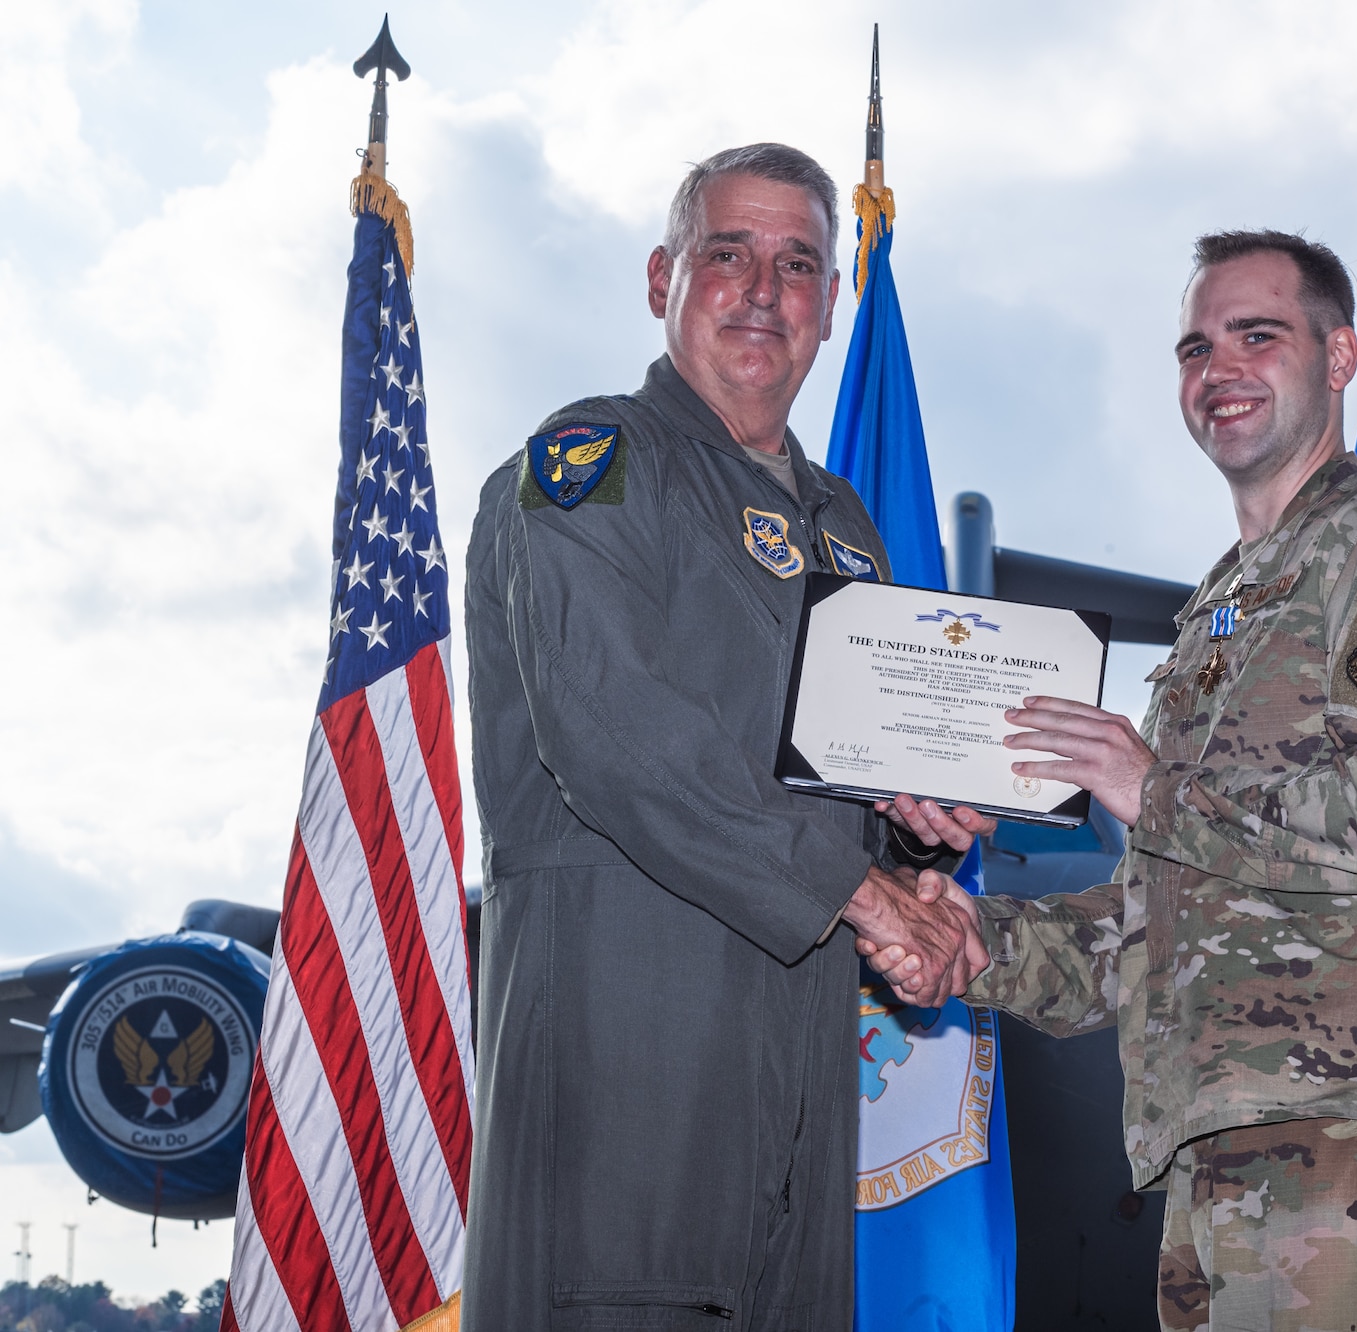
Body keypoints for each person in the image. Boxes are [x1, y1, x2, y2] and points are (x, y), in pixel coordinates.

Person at [870, 230, 1357, 1331]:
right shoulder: (1214, 623)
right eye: (1192, 347)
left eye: (1255, 335)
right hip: (1220, 1159)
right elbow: (1168, 922)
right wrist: (976, 946)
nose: (1215, 369)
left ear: (1338, 357)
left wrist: (1156, 785)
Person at [460, 143, 990, 1331]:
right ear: (662, 280)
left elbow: (841, 770)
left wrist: (919, 842)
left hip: (804, 1067)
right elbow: (610, 729)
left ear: (828, 309)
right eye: (727, 255)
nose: (762, 289)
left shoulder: (842, 525)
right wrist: (862, 895)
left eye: (797, 264)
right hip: (630, 1051)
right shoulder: (590, 469)